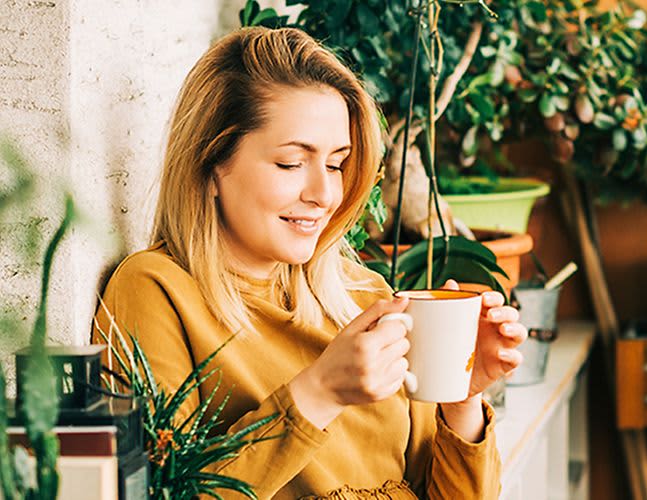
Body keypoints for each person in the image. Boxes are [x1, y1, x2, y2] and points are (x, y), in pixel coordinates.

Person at [93, 26, 526, 499]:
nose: (324, 194)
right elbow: (163, 492)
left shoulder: (367, 297)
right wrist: (319, 392)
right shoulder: (156, 292)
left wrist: (462, 398)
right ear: (212, 163)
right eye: (291, 163)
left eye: (336, 164)